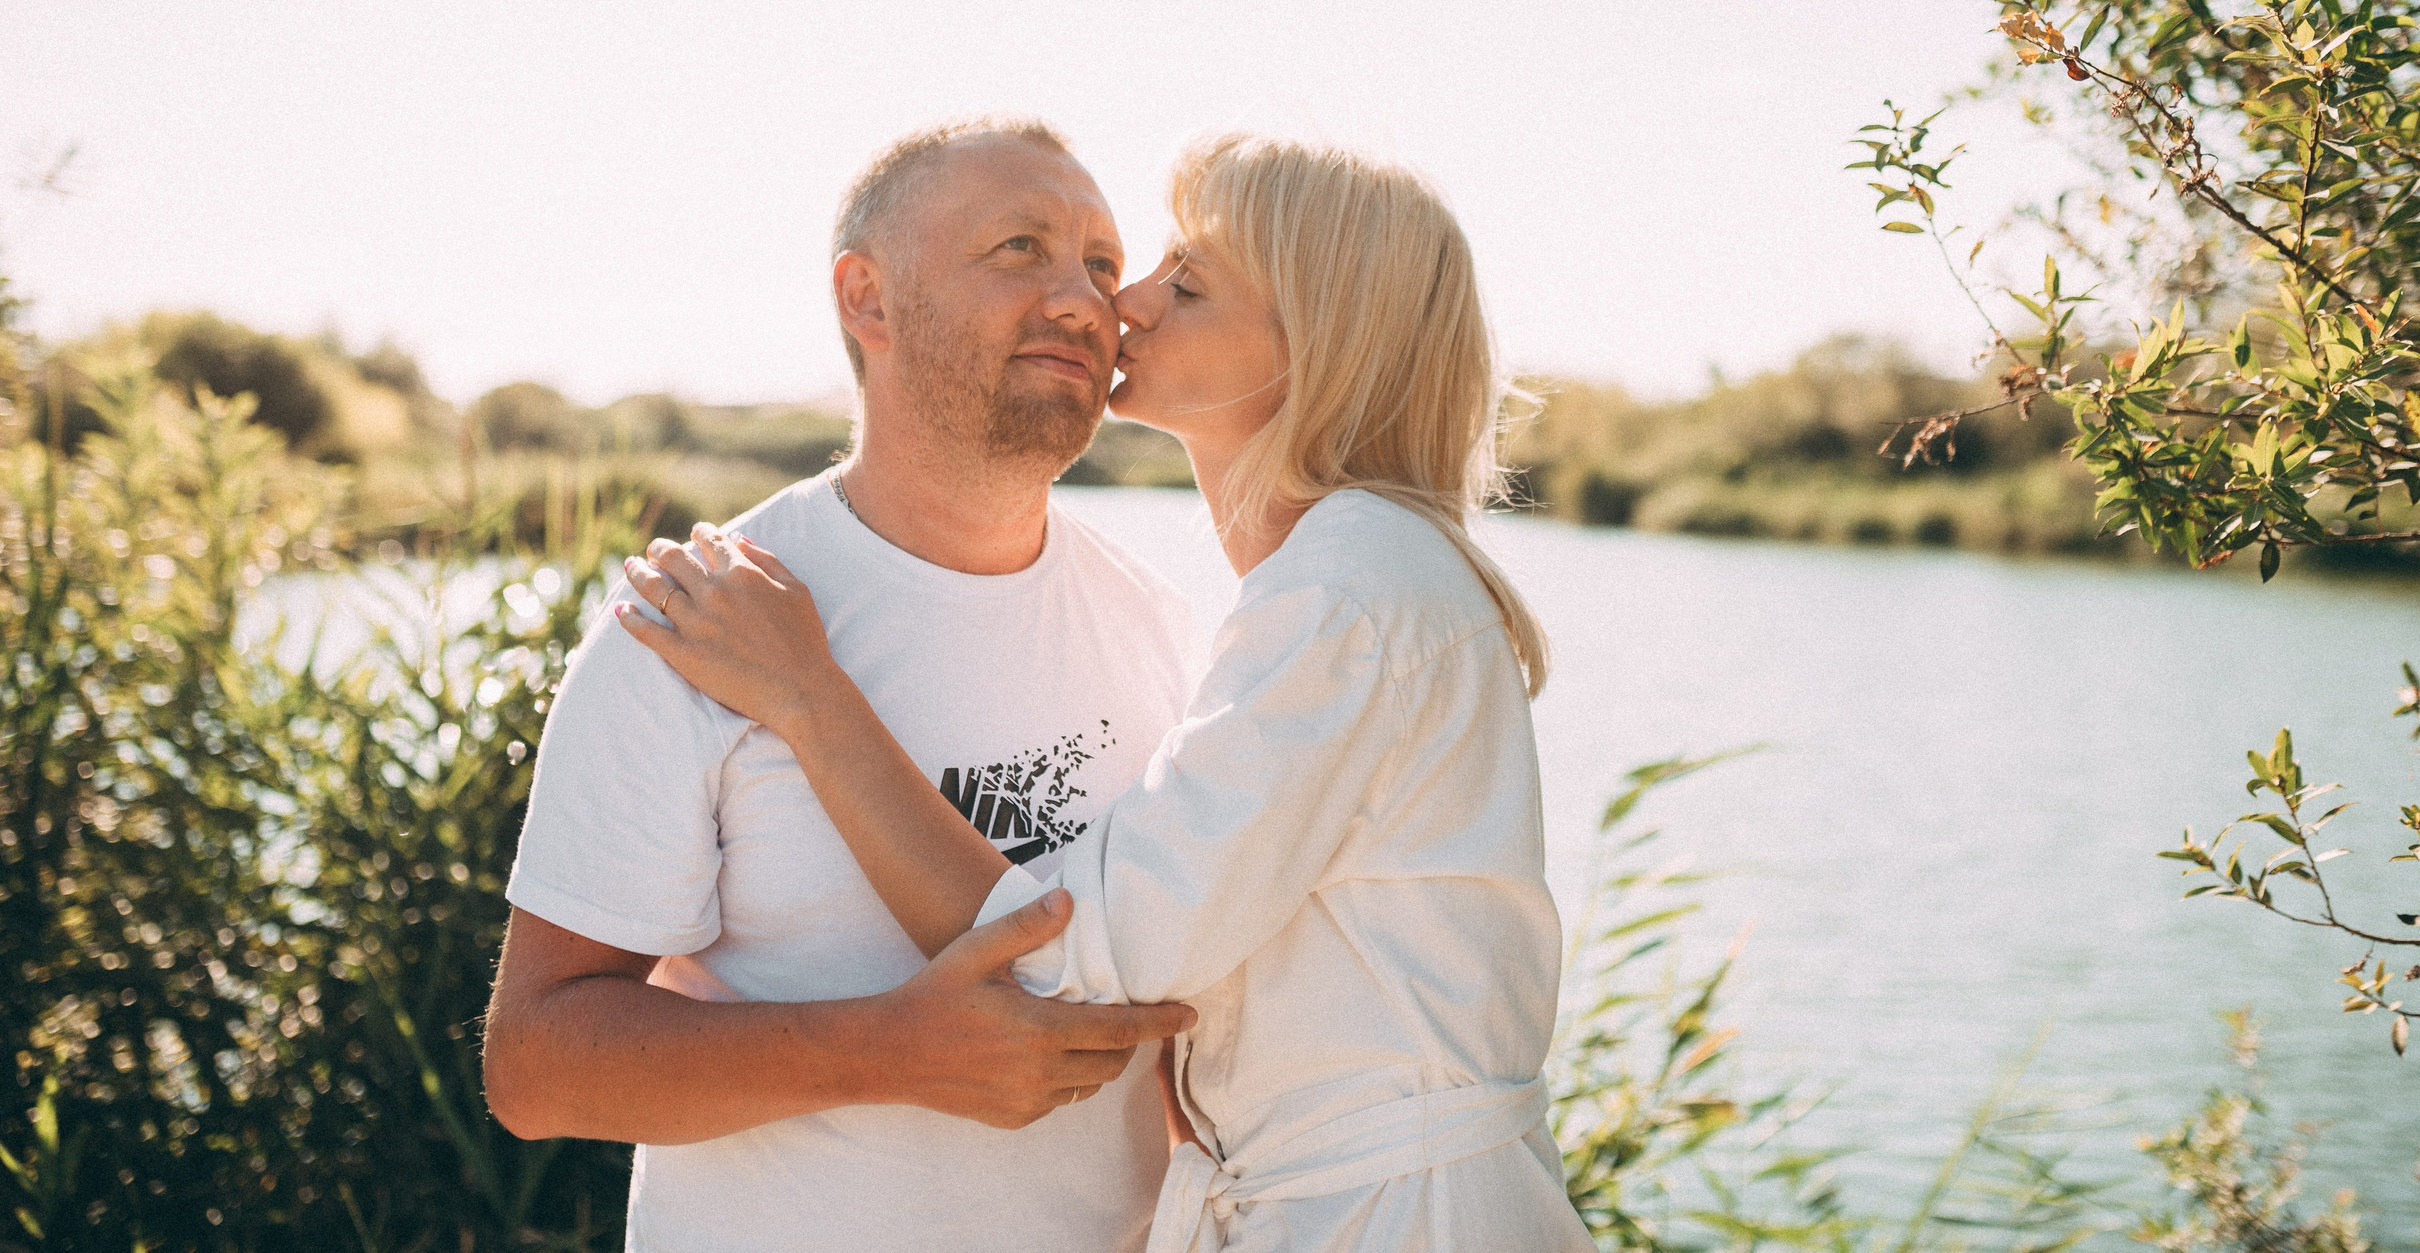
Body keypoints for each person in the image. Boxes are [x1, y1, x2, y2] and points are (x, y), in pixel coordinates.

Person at [620, 134, 1599, 1253]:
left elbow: (1063, 964)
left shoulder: (1349, 585)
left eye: (1184, 284)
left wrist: (807, 695)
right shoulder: (1351, 576)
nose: (1120, 302)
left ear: (1311, 347)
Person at [482, 119, 1204, 1253]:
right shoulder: (697, 624)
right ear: (867, 297)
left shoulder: (1164, 627)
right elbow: (538, 1063)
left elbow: (1180, 1047)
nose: (1082, 299)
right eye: (1020, 247)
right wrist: (889, 1050)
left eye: (1103, 264)